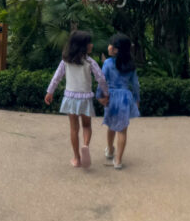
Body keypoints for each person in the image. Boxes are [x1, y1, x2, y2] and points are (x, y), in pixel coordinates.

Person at [45, 30, 108, 168]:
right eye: (89, 43)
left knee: (74, 129)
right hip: (85, 98)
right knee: (86, 125)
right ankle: (85, 145)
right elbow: (101, 78)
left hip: (70, 98)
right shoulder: (90, 62)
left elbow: (57, 77)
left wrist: (50, 92)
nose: (91, 45)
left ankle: (76, 158)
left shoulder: (66, 61)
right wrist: (106, 92)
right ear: (83, 46)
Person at [97, 34, 140, 170]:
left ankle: (110, 150)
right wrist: (137, 99)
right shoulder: (131, 65)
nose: (109, 46)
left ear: (116, 50)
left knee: (111, 126)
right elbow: (135, 84)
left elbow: (102, 81)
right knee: (122, 130)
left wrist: (100, 96)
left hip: (111, 97)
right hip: (126, 98)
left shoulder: (108, 63)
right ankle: (118, 161)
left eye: (111, 45)